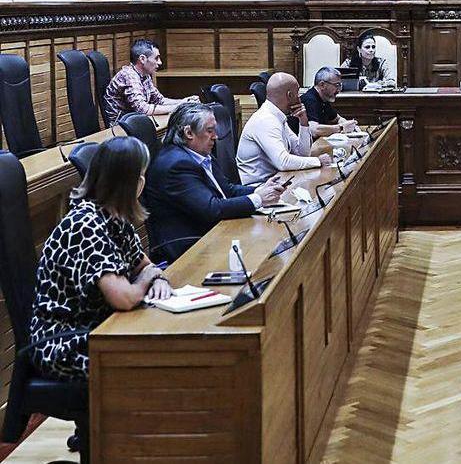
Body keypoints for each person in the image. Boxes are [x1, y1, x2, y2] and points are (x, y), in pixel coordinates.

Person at [29, 137, 173, 381]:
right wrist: (147, 278)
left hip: (100, 329)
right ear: (134, 183)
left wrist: (157, 278)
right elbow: (124, 298)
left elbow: (145, 265)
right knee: (159, 365)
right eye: (142, 175)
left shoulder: (115, 218)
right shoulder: (85, 225)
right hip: (66, 342)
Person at [144, 104, 287, 262]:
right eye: (209, 130)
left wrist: (260, 190)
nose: (216, 136)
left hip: (211, 234)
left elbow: (226, 190)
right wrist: (258, 199)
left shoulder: (198, 153)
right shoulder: (176, 165)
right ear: (189, 133)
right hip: (189, 249)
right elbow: (212, 209)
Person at [237, 72, 333, 185]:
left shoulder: (278, 116)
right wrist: (317, 161)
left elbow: (302, 153)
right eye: (297, 93)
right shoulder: (265, 120)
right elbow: (283, 162)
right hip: (259, 188)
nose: (300, 99)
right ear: (289, 95)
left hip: (277, 181)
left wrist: (304, 122)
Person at [102, 38, 197, 125]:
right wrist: (179, 107)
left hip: (136, 124)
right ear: (142, 59)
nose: (160, 62)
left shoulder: (145, 75)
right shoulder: (129, 75)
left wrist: (184, 102)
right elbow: (142, 109)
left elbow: (159, 100)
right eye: (156, 58)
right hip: (120, 130)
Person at [302, 67, 360, 138]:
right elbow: (313, 130)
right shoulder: (310, 100)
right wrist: (341, 128)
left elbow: (337, 118)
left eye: (340, 86)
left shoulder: (324, 99)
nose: (339, 90)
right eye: (337, 85)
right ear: (322, 85)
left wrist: (349, 125)